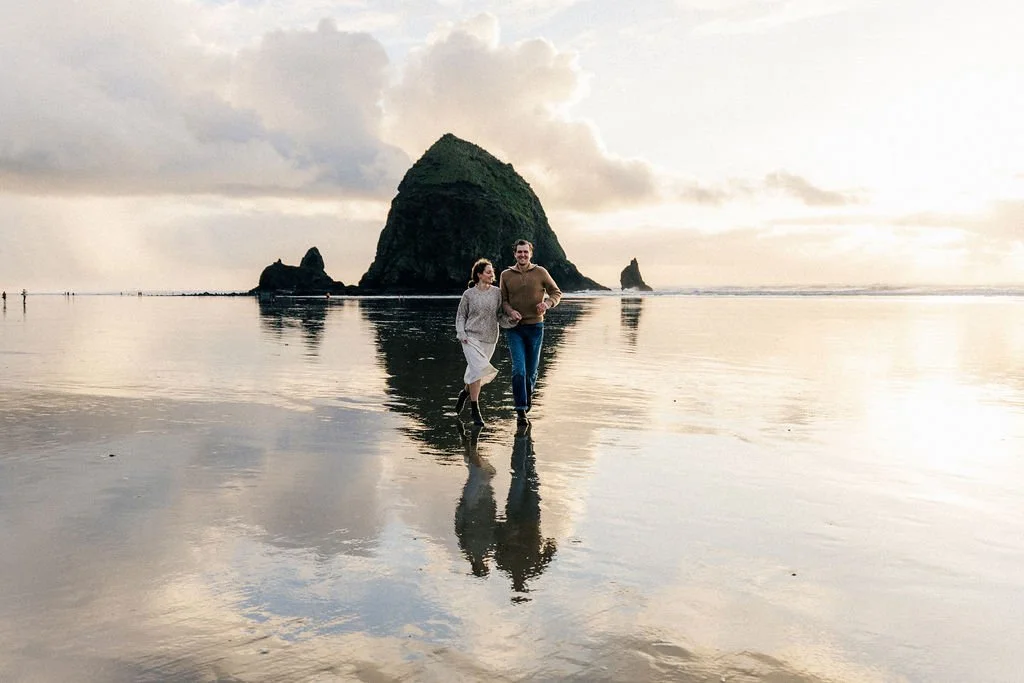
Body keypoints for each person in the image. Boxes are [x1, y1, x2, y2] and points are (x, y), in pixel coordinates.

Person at [499, 239, 562, 426]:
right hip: (514, 328)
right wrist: (511, 312)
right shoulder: (506, 275)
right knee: (519, 369)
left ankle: (526, 399)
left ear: (530, 253)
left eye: (525, 252)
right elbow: (503, 300)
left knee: (531, 373)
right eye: (519, 252)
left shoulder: (540, 272)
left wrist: (547, 304)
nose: (522, 255)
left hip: (535, 328)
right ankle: (520, 411)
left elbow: (556, 292)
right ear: (515, 254)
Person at [454, 258, 503, 426]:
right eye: (488, 272)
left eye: (492, 272)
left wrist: (513, 320)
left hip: (490, 338)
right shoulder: (468, 294)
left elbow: (501, 314)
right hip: (470, 338)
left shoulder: (497, 292)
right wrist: (461, 333)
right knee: (478, 370)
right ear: (479, 274)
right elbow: (461, 316)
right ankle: (475, 410)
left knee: (476, 373)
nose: (492, 274)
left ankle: (464, 393)